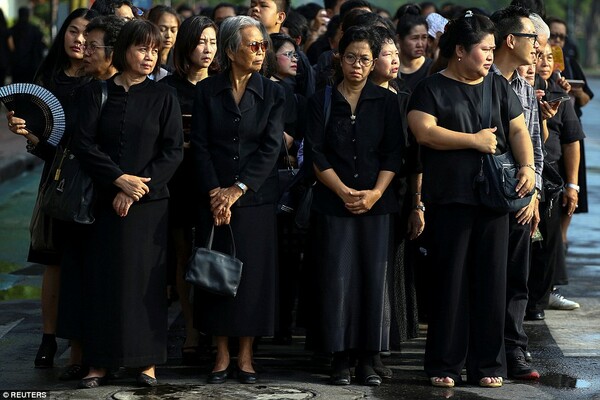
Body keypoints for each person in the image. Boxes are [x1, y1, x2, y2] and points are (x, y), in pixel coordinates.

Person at [407, 11, 535, 388]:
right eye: (484, 49)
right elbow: (423, 132)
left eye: (493, 49)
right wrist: (474, 140)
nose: (491, 56)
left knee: (491, 284)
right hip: (450, 201)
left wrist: (527, 167)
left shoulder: (497, 86)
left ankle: (487, 364)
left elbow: (518, 128)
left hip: (493, 201)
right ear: (460, 51)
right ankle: (444, 363)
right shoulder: (431, 88)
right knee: (450, 285)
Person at [71, 19, 183, 388]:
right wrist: (118, 180)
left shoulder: (164, 95)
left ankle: (145, 361)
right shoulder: (96, 93)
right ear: (123, 52)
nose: (149, 56)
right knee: (103, 282)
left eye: (154, 50)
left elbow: (172, 152)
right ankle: (99, 362)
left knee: (145, 283)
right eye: (141, 49)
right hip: (104, 203)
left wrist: (136, 189)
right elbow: (83, 143)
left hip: (149, 207)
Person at [305, 25, 402, 387]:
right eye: (350, 57)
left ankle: (367, 358)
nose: (357, 65)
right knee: (337, 279)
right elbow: (314, 152)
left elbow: (395, 152)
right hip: (333, 202)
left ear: (374, 62)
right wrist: (343, 190)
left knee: (373, 281)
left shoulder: (387, 100)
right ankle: (339, 357)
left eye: (364, 59)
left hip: (378, 204)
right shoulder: (322, 100)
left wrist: (375, 192)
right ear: (338, 58)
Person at [190, 15, 285, 384]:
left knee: (252, 281)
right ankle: (221, 352)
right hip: (213, 197)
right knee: (215, 275)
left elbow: (270, 146)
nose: (261, 52)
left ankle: (245, 355)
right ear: (230, 51)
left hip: (254, 199)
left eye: (263, 45)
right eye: (253, 45)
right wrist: (215, 191)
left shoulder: (274, 93)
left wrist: (237, 189)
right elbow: (198, 145)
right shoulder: (206, 91)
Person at [5, 8, 97, 372]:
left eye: (86, 33)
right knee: (52, 262)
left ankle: (83, 337)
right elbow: (48, 148)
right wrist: (26, 133)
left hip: (91, 179)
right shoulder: (48, 79)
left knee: (86, 262)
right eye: (72, 31)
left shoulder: (98, 81)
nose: (78, 39)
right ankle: (47, 337)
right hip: (57, 180)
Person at [54, 13, 125, 383]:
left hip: (114, 198)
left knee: (106, 280)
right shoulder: (80, 89)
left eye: (94, 45)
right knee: (77, 276)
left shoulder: (125, 90)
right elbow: (73, 143)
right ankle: (78, 355)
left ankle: (104, 355)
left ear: (113, 53)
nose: (85, 49)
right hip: (82, 195)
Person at [160, 15, 218, 365]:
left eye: (212, 42)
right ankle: (193, 329)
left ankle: (214, 326)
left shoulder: (224, 86)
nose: (207, 50)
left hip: (214, 183)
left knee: (213, 255)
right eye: (201, 42)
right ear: (186, 46)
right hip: (179, 181)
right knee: (183, 256)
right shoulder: (168, 89)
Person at [489, 5, 542, 381]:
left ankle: (515, 349)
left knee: (516, 279)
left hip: (521, 198)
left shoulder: (525, 85)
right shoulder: (480, 81)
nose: (538, 48)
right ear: (511, 40)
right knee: (483, 277)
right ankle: (482, 350)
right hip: (485, 196)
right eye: (532, 40)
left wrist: (534, 192)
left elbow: (535, 144)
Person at [528, 43, 584, 321]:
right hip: (524, 177)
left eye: (550, 58)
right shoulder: (518, 91)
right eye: (539, 57)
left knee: (548, 244)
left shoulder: (561, 97)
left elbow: (572, 142)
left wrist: (572, 186)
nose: (545, 63)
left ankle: (539, 300)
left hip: (551, 179)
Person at [7, 7, 45, 83]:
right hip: (32, 66)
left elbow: (9, 49)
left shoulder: (12, 30)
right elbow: (40, 49)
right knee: (30, 90)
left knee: (17, 89)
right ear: (28, 15)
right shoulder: (35, 30)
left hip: (16, 66)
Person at [82, 15, 126, 80]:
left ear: (115, 51)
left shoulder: (133, 88)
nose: (85, 53)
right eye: (85, 46)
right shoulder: (80, 89)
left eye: (93, 47)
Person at [397, 12, 432, 92]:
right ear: (399, 39)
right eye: (414, 38)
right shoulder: (390, 69)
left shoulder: (432, 69)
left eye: (424, 37)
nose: (420, 44)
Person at [147, 5, 180, 73]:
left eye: (173, 30)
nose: (168, 35)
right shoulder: (145, 58)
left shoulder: (180, 61)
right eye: (162, 29)